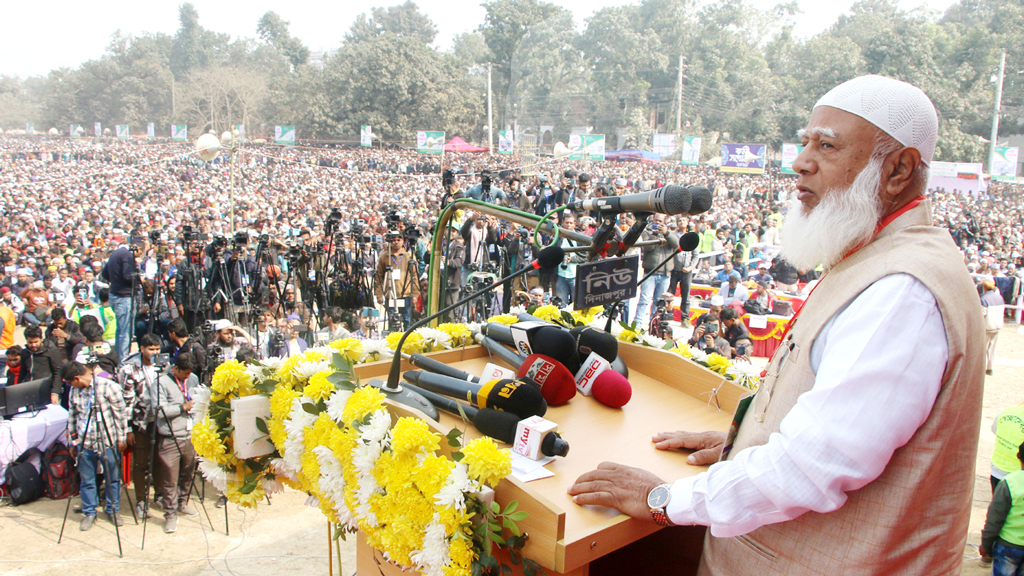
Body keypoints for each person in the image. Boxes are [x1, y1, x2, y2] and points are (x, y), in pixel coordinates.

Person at [567, 75, 984, 575]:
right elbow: (842, 428)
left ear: (898, 170)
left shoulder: (903, 292)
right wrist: (745, 446)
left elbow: (811, 469)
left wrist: (662, 497)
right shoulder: (877, 256)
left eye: (826, 146)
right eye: (805, 141)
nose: (801, 162)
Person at [65, 359, 128, 531]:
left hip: (107, 440)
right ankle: (89, 512)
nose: (72, 386)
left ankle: (113, 509)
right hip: (84, 443)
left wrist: (121, 438)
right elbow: (72, 416)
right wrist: (72, 441)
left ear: (77, 378)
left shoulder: (108, 386)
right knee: (87, 480)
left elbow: (120, 414)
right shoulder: (73, 392)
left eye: (71, 382)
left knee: (112, 478)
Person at [154, 352, 200, 534]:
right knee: (169, 479)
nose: (188, 377)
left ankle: (182, 503)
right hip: (170, 437)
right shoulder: (161, 383)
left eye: (190, 374)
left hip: (189, 434)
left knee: (188, 473)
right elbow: (159, 411)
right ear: (175, 369)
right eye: (185, 374)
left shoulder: (193, 379)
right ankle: (170, 514)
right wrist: (182, 407)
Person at [117, 333, 162, 518]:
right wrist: (127, 429)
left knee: (160, 460)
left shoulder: (164, 366)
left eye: (157, 349)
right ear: (142, 349)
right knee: (141, 463)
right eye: (150, 349)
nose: (154, 353)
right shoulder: (129, 369)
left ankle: (159, 494)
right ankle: (141, 500)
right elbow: (125, 402)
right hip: (139, 423)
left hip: (160, 421)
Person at [981, 444, 1024, 569]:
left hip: (1008, 546)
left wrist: (986, 544)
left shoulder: (1010, 483)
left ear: (1018, 456)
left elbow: (995, 519)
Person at [635, 214, 680, 328]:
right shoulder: (647, 232)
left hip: (665, 274)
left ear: (664, 222)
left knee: (659, 302)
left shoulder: (670, 233)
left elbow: (676, 245)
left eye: (660, 221)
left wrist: (666, 233)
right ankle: (637, 325)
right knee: (644, 300)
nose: (658, 223)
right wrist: (655, 234)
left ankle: (653, 325)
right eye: (656, 220)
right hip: (650, 272)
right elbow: (648, 247)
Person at [102, 242, 140, 361]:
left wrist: (115, 282)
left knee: (120, 330)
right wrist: (139, 277)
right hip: (124, 297)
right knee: (126, 332)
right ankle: (123, 361)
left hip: (115, 294)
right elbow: (128, 276)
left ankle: (118, 358)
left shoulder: (115, 253)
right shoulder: (127, 255)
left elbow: (104, 273)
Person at [24, 324, 64, 405]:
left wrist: (55, 392)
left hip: (46, 392)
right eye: (30, 342)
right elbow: (23, 372)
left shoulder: (51, 350)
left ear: (41, 339)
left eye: (36, 342)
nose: (33, 345)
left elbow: (58, 372)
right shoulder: (25, 352)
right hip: (29, 392)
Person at [992, 402, 1024, 493]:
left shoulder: (1007, 411)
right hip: (1018, 477)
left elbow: (995, 430)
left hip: (997, 469)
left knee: (998, 504)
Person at [982, 279, 1005, 376]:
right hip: (997, 325)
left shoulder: (983, 299)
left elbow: (982, 314)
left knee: (983, 348)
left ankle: (982, 367)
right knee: (992, 348)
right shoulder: (1000, 298)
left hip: (987, 326)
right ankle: (990, 367)